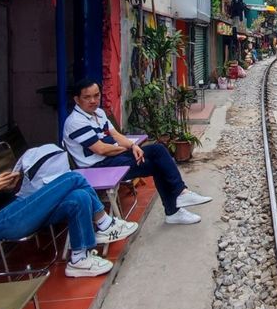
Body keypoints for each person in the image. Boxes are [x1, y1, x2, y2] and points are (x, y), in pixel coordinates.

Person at [63, 79, 212, 225]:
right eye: (87, 97)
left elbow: (116, 135)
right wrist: (126, 148)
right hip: (98, 168)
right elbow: (101, 149)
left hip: (112, 158)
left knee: (158, 153)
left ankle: (178, 201)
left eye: (96, 95)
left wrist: (133, 146)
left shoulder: (99, 113)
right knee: (158, 162)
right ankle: (177, 201)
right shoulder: (76, 121)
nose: (93, 100)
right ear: (77, 99)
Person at [0, 167, 137, 278]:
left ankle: (79, 259)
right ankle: (105, 224)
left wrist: (7, 187)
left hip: (17, 205)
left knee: (79, 196)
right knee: (73, 178)